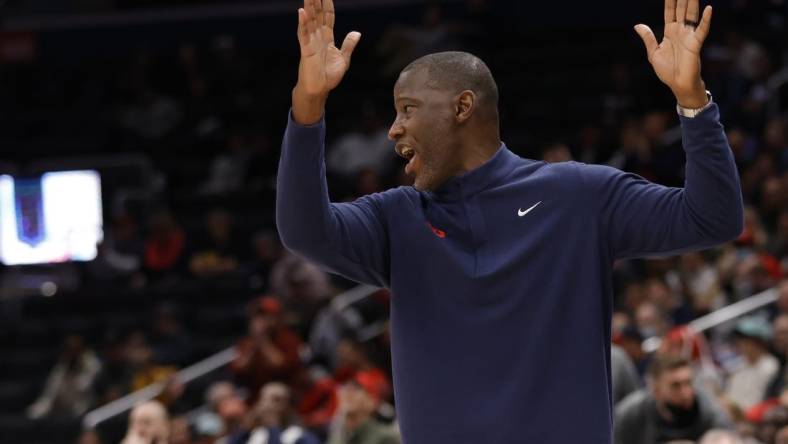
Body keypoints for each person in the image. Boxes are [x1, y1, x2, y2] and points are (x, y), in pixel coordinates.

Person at [276, 0, 743, 442]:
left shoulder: (579, 196)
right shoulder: (394, 217)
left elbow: (712, 219)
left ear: (462, 108)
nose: (394, 129)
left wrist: (693, 103)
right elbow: (304, 230)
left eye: (408, 109)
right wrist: (308, 108)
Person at [614, 354, 732, 444]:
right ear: (656, 390)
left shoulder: (708, 408)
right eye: (675, 385)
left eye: (688, 383)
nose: (686, 393)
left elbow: (726, 434)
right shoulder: (630, 414)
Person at [228, 382, 321, 444]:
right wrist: (246, 427)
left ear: (288, 407)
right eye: (264, 399)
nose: (269, 405)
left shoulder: (299, 435)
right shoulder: (251, 435)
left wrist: (273, 426)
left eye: (276, 400)